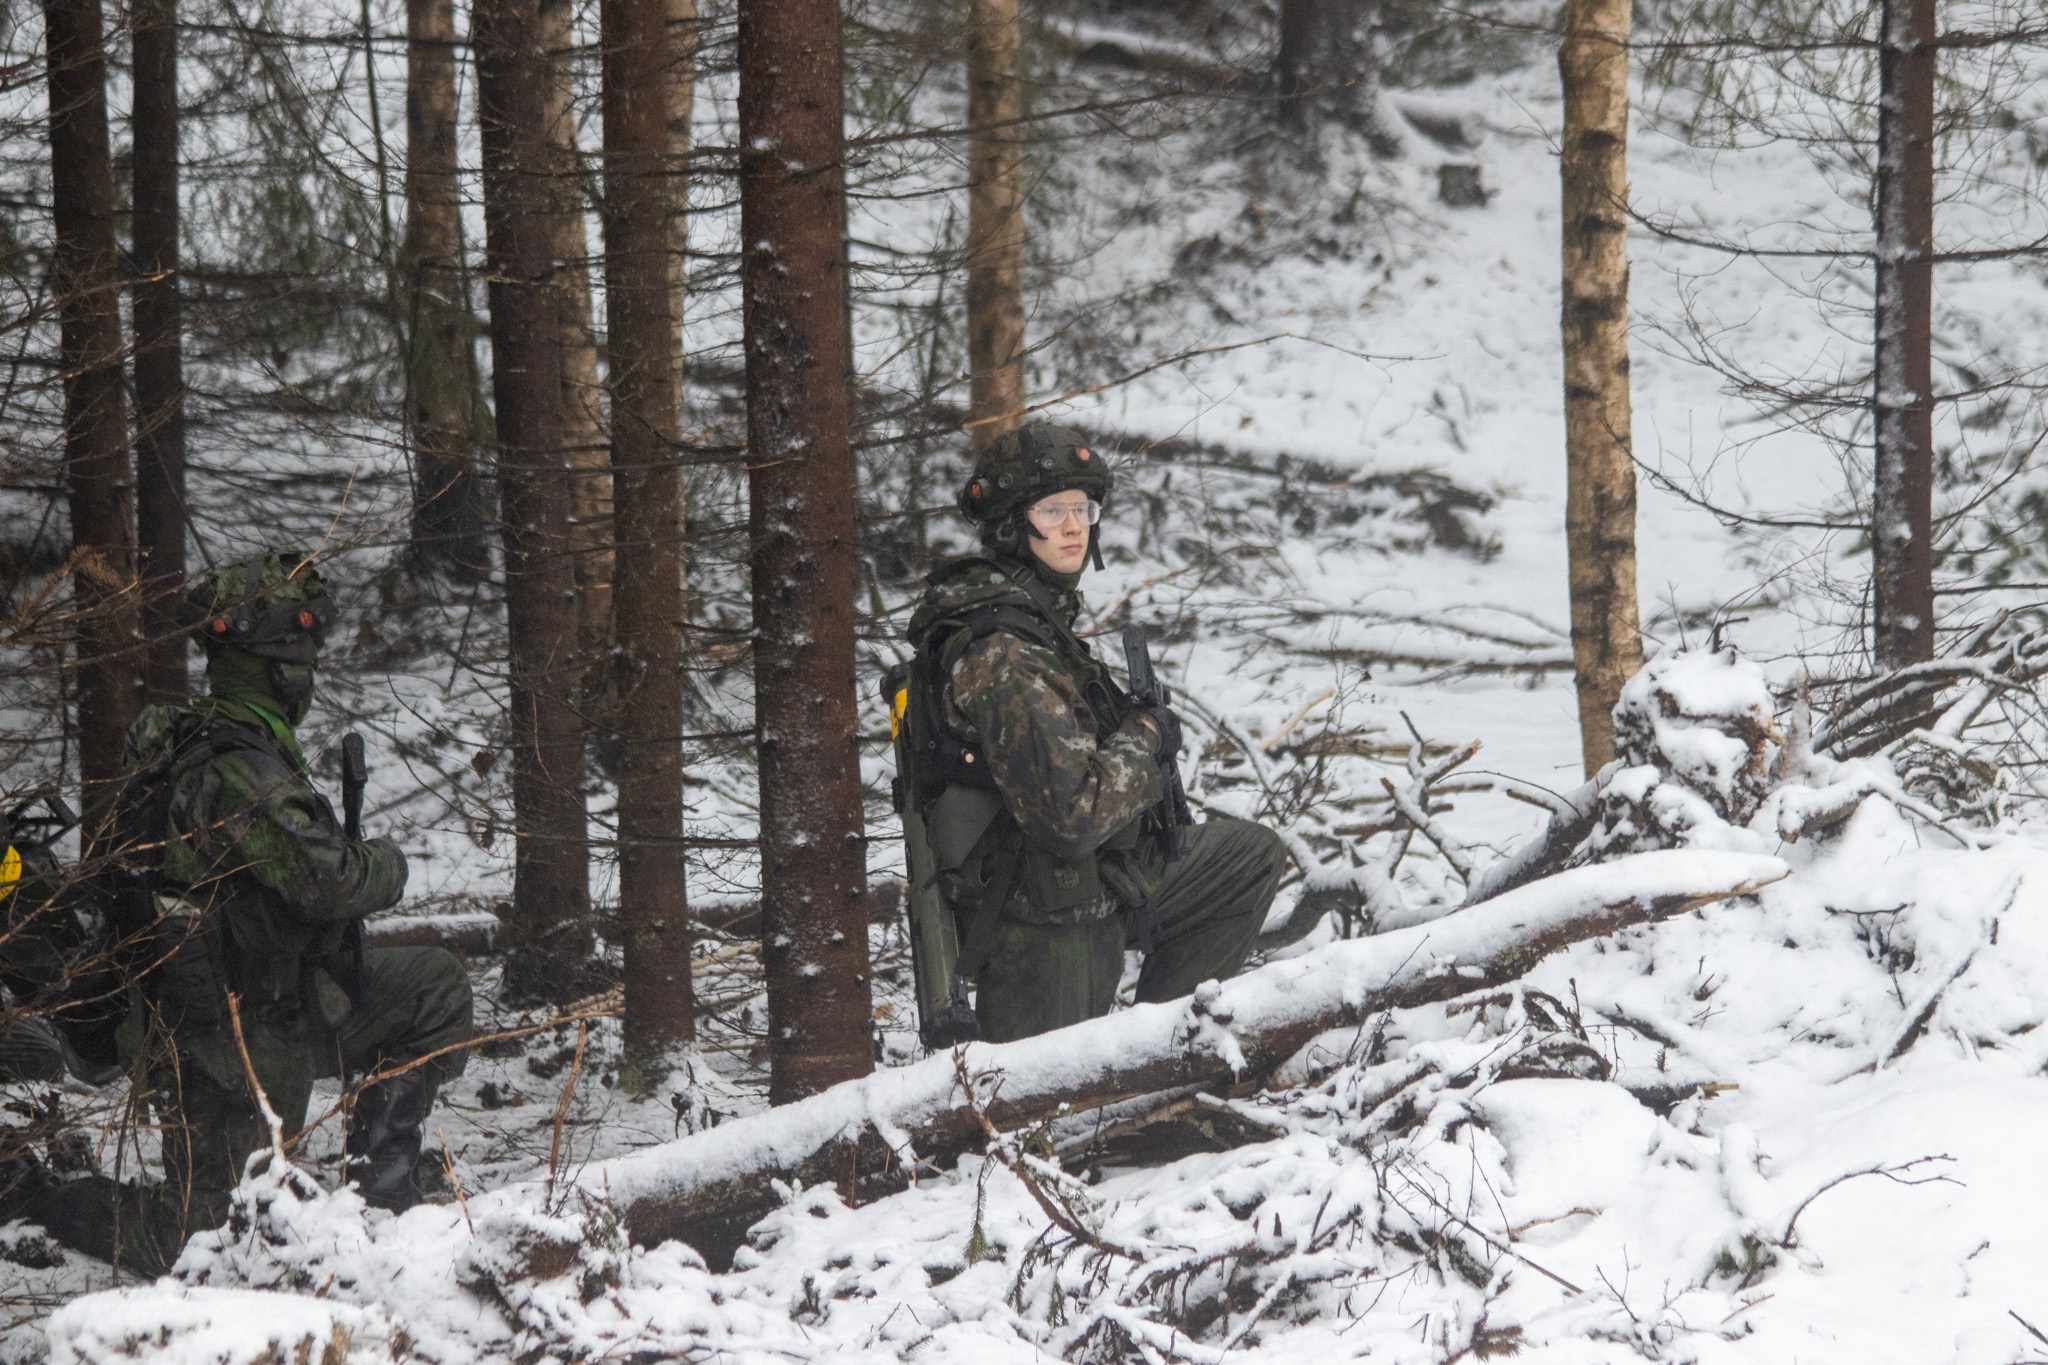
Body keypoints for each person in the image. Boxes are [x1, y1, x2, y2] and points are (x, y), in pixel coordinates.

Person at [6, 551, 473, 1272]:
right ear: (282, 670)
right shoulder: (236, 768)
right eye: (302, 658)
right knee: (205, 1239)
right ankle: (39, 1194)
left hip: (286, 1001)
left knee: (433, 986)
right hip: (221, 1042)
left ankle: (377, 1195)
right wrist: (388, 860)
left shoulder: (212, 741)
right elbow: (333, 882)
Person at [907, 423, 1289, 1042]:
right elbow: (1072, 818)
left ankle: (1167, 1047)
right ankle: (1141, 1063)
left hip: (1091, 876)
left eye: (1082, 509)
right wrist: (1146, 735)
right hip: (1043, 911)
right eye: (1051, 511)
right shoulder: (1007, 653)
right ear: (1010, 524)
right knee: (1047, 1097)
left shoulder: (1036, 617)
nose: (1073, 526)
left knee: (1246, 858)